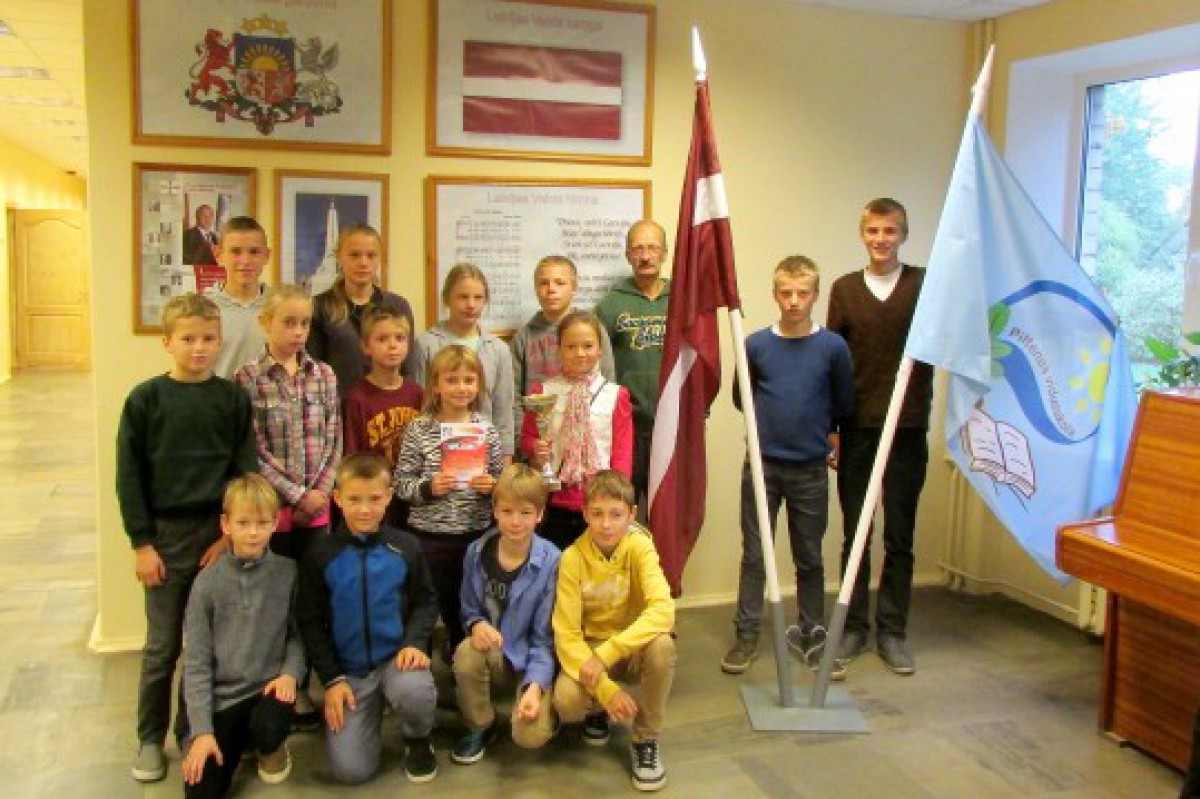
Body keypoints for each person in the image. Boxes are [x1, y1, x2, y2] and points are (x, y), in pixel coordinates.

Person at [117, 292, 257, 783]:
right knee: (162, 648)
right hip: (165, 538)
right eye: (189, 339)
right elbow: (129, 477)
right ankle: (149, 738)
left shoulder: (232, 399)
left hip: (216, 534)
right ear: (168, 342)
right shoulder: (146, 399)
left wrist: (227, 536)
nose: (199, 348)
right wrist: (142, 544)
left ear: (220, 341)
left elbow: (244, 472)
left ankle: (195, 730)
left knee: (212, 645)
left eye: (208, 339)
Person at [719, 256, 855, 680]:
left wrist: (829, 435)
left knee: (809, 556)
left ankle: (813, 635)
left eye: (802, 293)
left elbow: (843, 402)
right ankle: (746, 636)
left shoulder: (832, 347)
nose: (794, 301)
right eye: (786, 293)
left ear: (815, 295)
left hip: (810, 469)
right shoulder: (756, 345)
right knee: (755, 555)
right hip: (762, 467)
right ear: (775, 294)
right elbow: (741, 397)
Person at [827, 198, 934, 676]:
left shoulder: (925, 285)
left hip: (907, 427)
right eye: (873, 231)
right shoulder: (845, 290)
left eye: (890, 231)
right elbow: (833, 362)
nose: (881, 240)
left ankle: (892, 632)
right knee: (856, 533)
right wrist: (831, 428)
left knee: (900, 536)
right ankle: (854, 627)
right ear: (862, 234)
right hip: (858, 429)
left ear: (903, 235)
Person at [234, 285, 341, 727]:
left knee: (311, 597)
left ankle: (306, 683)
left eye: (304, 324)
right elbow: (253, 448)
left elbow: (334, 438)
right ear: (266, 324)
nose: (297, 332)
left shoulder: (324, 375)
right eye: (288, 322)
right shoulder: (249, 378)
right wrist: (296, 495)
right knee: (275, 596)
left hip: (318, 508)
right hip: (273, 511)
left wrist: (319, 492)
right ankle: (275, 686)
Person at [297, 453, 440, 784]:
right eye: (354, 499)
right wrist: (331, 679)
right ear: (337, 498)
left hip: (396, 660)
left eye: (375, 499)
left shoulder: (406, 547)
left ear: (389, 496)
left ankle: (417, 738)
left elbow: (426, 600)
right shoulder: (320, 555)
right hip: (350, 673)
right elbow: (310, 622)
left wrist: (414, 642)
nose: (365, 509)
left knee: (415, 691)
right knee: (351, 771)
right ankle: (367, 714)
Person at [181, 474, 305, 797]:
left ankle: (267, 745)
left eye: (262, 523)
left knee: (268, 727)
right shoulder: (206, 585)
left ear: (275, 524)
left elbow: (297, 635)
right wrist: (203, 732)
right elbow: (196, 662)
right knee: (200, 791)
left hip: (268, 690)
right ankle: (232, 741)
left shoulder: (288, 572)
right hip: (223, 698)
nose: (252, 532)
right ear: (226, 525)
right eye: (243, 522)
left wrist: (290, 673)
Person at [552, 470, 676, 792]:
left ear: (632, 515)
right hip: (590, 649)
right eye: (597, 514)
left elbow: (663, 610)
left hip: (629, 646)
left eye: (616, 515)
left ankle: (646, 739)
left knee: (663, 646)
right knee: (566, 701)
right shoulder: (572, 558)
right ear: (584, 514)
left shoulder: (640, 547)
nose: (606, 524)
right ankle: (597, 711)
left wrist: (609, 654)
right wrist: (607, 690)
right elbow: (566, 635)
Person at [394, 345, 504, 656]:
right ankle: (421, 665)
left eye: (469, 380)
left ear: (479, 385)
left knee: (467, 608)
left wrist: (492, 487)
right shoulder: (419, 429)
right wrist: (428, 488)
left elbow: (503, 486)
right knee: (427, 605)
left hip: (475, 536)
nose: (461, 388)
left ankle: (460, 665)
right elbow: (401, 484)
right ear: (436, 385)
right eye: (452, 380)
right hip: (429, 536)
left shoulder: (486, 430)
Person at [451, 463, 561, 765]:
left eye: (525, 513)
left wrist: (534, 686)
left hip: (531, 659)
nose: (515, 522)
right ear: (495, 511)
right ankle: (480, 724)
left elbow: (544, 640)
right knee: (466, 652)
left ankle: (547, 706)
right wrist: (476, 624)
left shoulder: (552, 561)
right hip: (495, 654)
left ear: (539, 514)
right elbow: (469, 609)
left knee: (530, 737)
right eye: (507, 511)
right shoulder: (476, 552)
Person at [521, 311, 633, 550]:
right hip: (555, 500)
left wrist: (617, 499)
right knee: (557, 563)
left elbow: (622, 452)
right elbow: (529, 437)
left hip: (599, 504)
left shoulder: (616, 395)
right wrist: (535, 449)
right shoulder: (543, 392)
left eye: (588, 346)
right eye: (571, 346)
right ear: (559, 350)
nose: (580, 353)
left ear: (600, 349)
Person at [594, 221, 671, 504]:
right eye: (638, 249)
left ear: (664, 253)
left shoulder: (682, 299)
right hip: (627, 426)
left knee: (667, 507)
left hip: (672, 424)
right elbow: (596, 366)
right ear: (628, 255)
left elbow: (698, 357)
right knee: (622, 502)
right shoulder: (610, 305)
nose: (646, 256)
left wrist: (700, 412)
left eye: (652, 248)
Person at [416, 264, 516, 460]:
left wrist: (506, 460)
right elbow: (420, 403)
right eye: (463, 297)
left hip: (485, 455)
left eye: (478, 297)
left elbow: (503, 412)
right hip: (436, 454)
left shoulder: (498, 350)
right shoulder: (426, 344)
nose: (471, 304)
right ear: (447, 298)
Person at [308, 223, 420, 398]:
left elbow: (409, 367)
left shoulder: (398, 306)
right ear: (339, 257)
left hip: (389, 407)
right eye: (354, 255)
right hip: (340, 406)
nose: (363, 263)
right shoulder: (320, 307)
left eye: (371, 255)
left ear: (379, 259)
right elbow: (313, 370)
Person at [510, 255, 615, 437]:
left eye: (560, 283)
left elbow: (608, 382)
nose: (551, 289)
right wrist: (524, 439)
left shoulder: (592, 329)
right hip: (539, 436)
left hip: (587, 431)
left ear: (574, 287)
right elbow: (514, 396)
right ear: (536, 289)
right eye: (543, 283)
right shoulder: (523, 337)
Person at [341, 307, 423, 527]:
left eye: (400, 338)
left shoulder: (417, 394)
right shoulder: (356, 398)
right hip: (374, 499)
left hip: (411, 498)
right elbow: (352, 456)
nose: (392, 345)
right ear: (366, 346)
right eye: (382, 339)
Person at [206, 216, 270, 379]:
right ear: (218, 255)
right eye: (236, 252)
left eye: (254, 252)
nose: (245, 260)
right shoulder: (202, 308)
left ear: (266, 256)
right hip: (219, 395)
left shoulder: (280, 306)